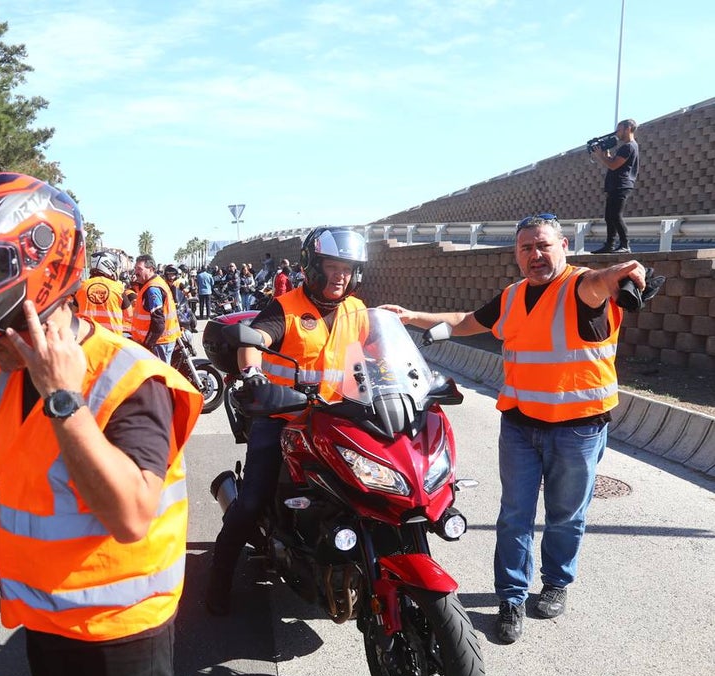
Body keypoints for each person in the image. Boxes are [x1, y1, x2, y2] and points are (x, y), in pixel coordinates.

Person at [0, 172, 203, 676]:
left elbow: (132, 515)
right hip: (47, 623)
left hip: (117, 634)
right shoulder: (5, 371)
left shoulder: (128, 379)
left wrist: (64, 400)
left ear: (40, 270)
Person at [379, 213, 649, 645]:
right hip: (521, 426)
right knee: (514, 517)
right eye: (526, 248)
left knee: (565, 516)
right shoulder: (513, 296)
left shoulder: (581, 287)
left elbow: (601, 281)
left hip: (576, 431)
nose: (535, 255)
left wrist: (621, 273)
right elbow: (467, 320)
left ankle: (557, 582)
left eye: (543, 246)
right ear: (517, 256)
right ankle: (511, 597)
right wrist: (412, 317)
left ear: (563, 246)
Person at [206, 226, 369, 616]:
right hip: (283, 416)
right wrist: (253, 374)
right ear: (312, 266)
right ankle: (217, 586)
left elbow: (375, 353)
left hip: (340, 418)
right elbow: (255, 340)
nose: (340, 276)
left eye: (347, 268)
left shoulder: (357, 310)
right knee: (251, 504)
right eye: (332, 266)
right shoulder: (286, 307)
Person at [591, 118, 639, 254]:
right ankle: (610, 244)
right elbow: (613, 162)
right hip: (616, 184)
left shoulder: (628, 146)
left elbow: (613, 165)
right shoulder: (627, 147)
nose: (617, 133)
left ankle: (625, 244)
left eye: (619, 129)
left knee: (616, 215)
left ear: (628, 129)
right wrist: (606, 155)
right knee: (609, 216)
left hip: (621, 184)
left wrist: (600, 156)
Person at [131, 255, 182, 363]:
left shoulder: (152, 289)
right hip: (160, 341)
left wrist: (148, 344)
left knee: (158, 377)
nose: (136, 272)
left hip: (159, 342)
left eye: (139, 269)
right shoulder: (153, 283)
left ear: (151, 269)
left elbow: (158, 322)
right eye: (135, 268)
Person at [75, 249, 132, 335]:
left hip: (87, 338)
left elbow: (73, 311)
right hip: (112, 339)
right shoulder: (118, 288)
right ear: (109, 265)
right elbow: (129, 314)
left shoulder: (81, 286)